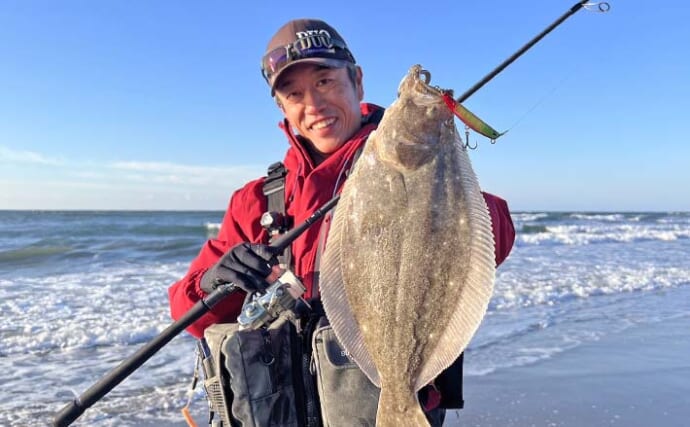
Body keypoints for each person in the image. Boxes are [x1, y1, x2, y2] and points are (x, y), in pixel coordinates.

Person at [168, 18, 515, 427]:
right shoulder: (256, 201)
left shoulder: (423, 162)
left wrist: (434, 176)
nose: (313, 104)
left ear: (357, 82)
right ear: (282, 107)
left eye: (325, 82)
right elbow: (188, 313)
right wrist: (215, 281)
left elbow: (498, 235)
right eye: (294, 93)